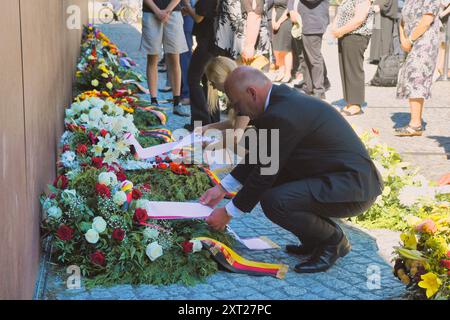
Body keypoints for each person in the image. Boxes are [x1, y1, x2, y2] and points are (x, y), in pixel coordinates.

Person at [200, 66, 383, 273]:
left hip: (352, 186)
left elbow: (264, 172)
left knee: (276, 200)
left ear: (252, 93)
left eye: (237, 104)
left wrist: (228, 212)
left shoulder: (282, 113)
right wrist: (222, 188)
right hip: (334, 177)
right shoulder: (279, 102)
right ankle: (315, 238)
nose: (238, 111)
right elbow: (262, 155)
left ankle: (333, 241)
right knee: (276, 188)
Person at [395, 0, 441, 136]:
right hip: (411, 42)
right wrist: (404, 39)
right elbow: (401, 20)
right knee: (410, 77)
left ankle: (415, 124)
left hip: (425, 42)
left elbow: (427, 20)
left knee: (417, 79)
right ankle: (415, 121)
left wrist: (410, 40)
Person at [140, 0, 189, 117]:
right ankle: (154, 101)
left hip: (173, 13)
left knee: (174, 59)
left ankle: (177, 103)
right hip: (151, 13)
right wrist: (157, 11)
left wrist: (167, 11)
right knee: (152, 59)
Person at [331, 0, 374, 116]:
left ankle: (356, 104)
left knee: (353, 69)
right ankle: (350, 101)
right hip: (345, 35)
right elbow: (340, 14)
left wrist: (340, 31)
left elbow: (359, 19)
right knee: (346, 69)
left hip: (356, 36)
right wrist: (335, 29)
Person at [182, 0, 220, 131]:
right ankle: (213, 120)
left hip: (206, 43)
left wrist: (187, 5)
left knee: (193, 79)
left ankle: (201, 122)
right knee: (208, 81)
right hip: (212, 42)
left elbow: (198, 18)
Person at [288, 0, 331, 99]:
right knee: (303, 57)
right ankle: (308, 86)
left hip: (313, 22)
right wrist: (291, 10)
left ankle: (319, 90)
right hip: (302, 23)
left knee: (314, 58)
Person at [214, 0, 271, 66]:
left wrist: (249, 45)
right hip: (228, 42)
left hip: (243, 46)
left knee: (241, 73)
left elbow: (255, 13)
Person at [272, 0, 293, 82]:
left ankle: (288, 74)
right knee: (278, 48)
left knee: (286, 49)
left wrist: (279, 22)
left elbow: (289, 9)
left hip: (286, 21)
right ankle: (281, 72)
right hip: (276, 21)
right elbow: (274, 7)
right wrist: (273, 21)